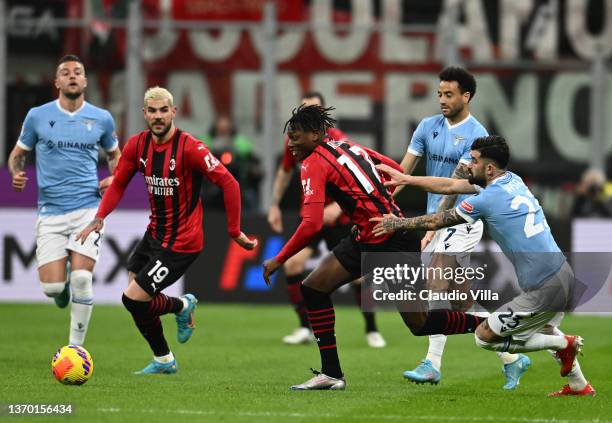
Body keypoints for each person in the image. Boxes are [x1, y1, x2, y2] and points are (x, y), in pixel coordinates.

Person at [262, 105, 484, 390]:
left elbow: (311, 225)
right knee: (313, 288)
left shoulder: (312, 163)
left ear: (316, 134)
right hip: (367, 235)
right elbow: (393, 169)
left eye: (296, 137)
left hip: (393, 240)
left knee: (420, 324)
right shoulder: (345, 145)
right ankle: (332, 374)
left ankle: (489, 326)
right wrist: (376, 204)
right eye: (289, 137)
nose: (291, 144)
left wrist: (279, 259)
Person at [372, 135, 595, 396]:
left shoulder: (486, 199)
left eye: (474, 161)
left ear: (489, 168)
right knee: (542, 328)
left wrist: (395, 223)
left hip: (544, 289)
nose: (469, 166)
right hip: (563, 275)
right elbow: (450, 185)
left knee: (484, 336)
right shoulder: (513, 181)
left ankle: (563, 344)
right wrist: (408, 179)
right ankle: (579, 384)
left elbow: (437, 221)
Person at [76, 86, 257, 374]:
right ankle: (164, 359)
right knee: (136, 293)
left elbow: (230, 183)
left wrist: (234, 231)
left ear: (173, 112)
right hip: (155, 232)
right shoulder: (137, 145)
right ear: (144, 113)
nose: (158, 116)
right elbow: (120, 182)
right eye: (152, 111)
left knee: (132, 299)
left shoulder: (190, 148)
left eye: (164, 110)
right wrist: (100, 216)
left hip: (183, 241)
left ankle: (182, 306)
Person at [396, 66, 523, 389]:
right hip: (435, 221)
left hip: (462, 220)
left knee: (435, 286)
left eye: (449, 94)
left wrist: (431, 228)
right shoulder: (427, 127)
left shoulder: (476, 137)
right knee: (461, 303)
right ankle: (512, 355)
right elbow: (402, 172)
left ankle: (432, 364)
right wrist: (385, 198)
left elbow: (455, 187)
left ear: (466, 96)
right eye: (439, 93)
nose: (442, 99)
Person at [8, 54, 121, 346]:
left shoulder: (101, 118)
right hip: (50, 213)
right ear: (57, 81)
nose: (72, 76)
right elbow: (18, 154)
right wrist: (16, 173)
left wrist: (115, 178)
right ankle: (62, 284)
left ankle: (75, 349)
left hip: (88, 208)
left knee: (83, 280)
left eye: (78, 72)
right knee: (54, 287)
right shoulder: (37, 116)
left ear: (84, 80)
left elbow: (114, 155)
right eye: (66, 72)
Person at [267, 91, 385, 348]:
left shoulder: (338, 141)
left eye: (314, 110)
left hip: (339, 219)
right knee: (293, 266)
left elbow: (361, 179)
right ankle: (304, 327)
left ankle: (371, 329)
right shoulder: (296, 142)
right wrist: (274, 204)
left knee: (357, 277)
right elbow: (284, 171)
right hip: (312, 215)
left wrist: (340, 210)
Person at [202, 115, 263, 212]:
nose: (223, 133)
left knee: (249, 195)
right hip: (210, 186)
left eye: (226, 130)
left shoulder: (242, 144)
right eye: (220, 130)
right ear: (215, 130)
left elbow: (254, 162)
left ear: (231, 130)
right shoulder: (205, 143)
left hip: (239, 185)